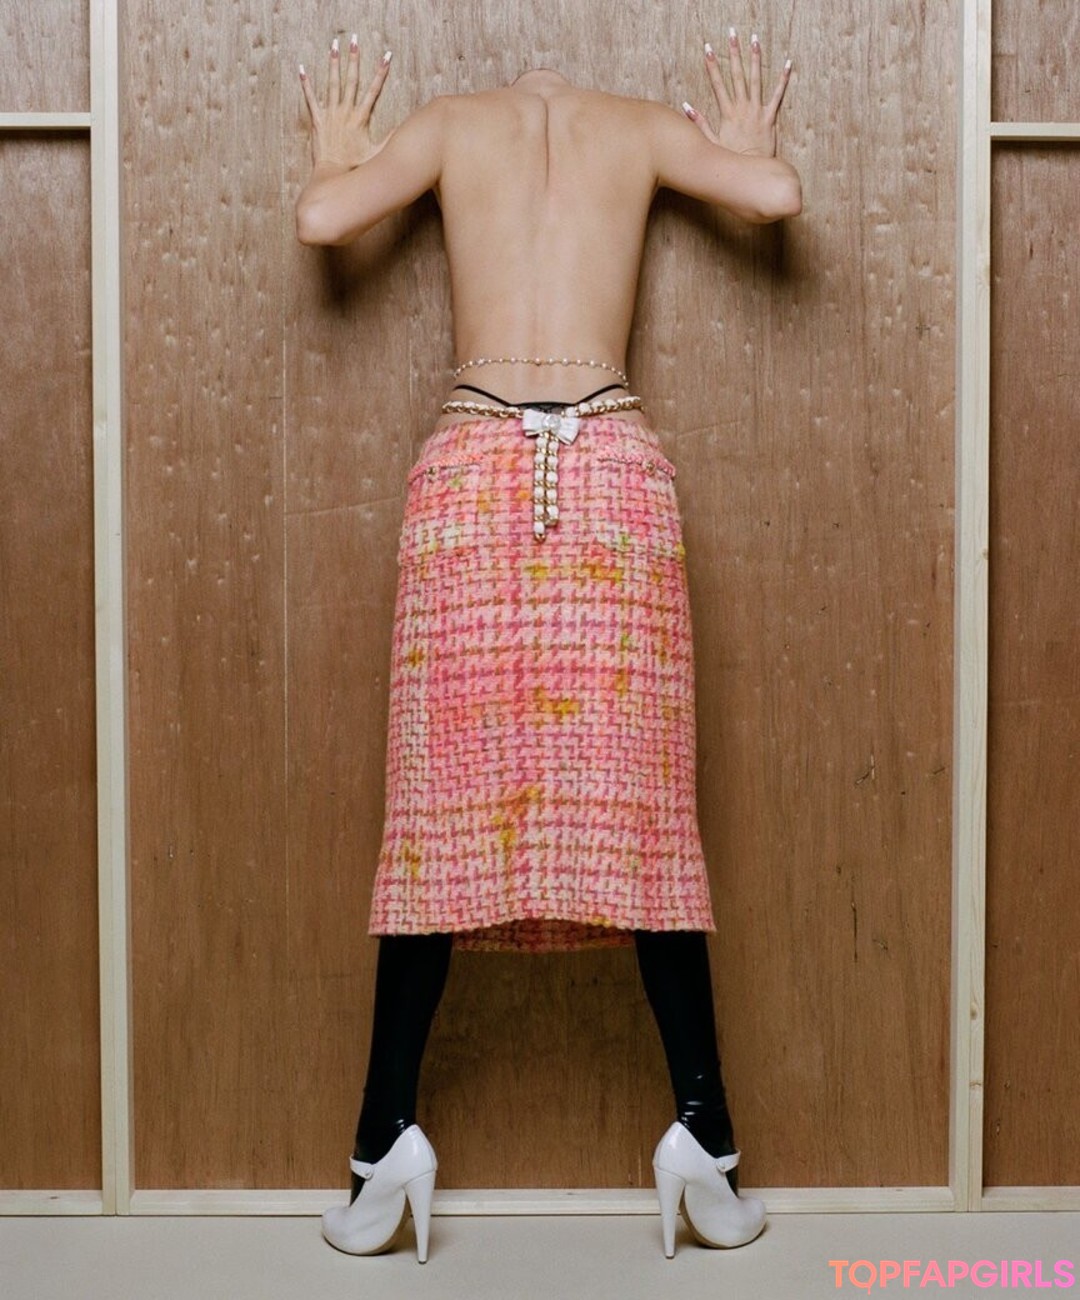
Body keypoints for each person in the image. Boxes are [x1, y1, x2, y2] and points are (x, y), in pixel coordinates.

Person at [296, 29, 801, 1264]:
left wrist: (340, 154)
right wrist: (744, 147)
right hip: (614, 470)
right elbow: (776, 197)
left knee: (434, 814)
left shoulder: (451, 122)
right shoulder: (637, 124)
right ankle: (706, 1140)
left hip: (471, 471)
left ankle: (380, 1143)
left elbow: (322, 222)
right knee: (645, 815)